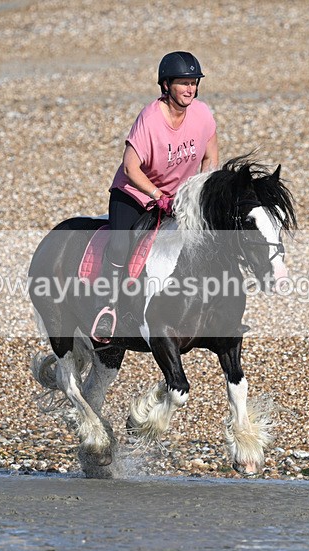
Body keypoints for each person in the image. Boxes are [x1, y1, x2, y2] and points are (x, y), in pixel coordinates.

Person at [92, 51, 219, 340]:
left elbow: (211, 156)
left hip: (179, 197)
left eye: (194, 83)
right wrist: (156, 194)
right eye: (183, 83)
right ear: (166, 85)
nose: (190, 89)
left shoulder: (201, 113)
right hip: (135, 194)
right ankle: (107, 307)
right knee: (121, 244)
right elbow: (130, 166)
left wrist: (200, 189)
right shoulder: (150, 120)